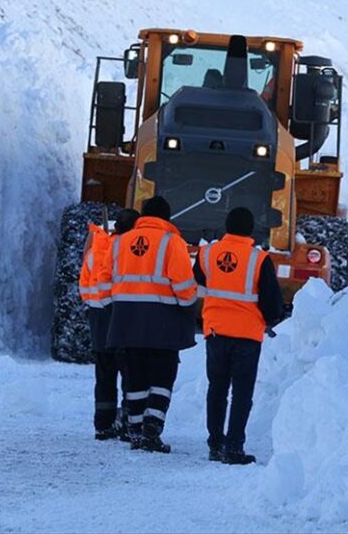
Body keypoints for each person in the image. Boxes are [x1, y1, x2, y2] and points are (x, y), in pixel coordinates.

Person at [103, 196, 197, 453]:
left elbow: (104, 279)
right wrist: (189, 303)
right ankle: (151, 430)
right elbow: (184, 286)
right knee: (162, 378)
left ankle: (134, 430)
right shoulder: (171, 242)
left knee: (135, 378)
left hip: (125, 320)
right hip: (162, 322)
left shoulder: (119, 242)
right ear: (166, 218)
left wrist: (110, 305)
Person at [194, 207, 283, 464]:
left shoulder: (208, 253)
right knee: (242, 393)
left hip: (215, 331)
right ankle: (234, 447)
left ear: (227, 226)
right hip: (247, 336)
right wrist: (270, 320)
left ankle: (215, 444)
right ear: (251, 229)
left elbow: (197, 278)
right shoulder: (259, 259)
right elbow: (272, 302)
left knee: (217, 389)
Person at [79, 209, 140, 441]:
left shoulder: (96, 250)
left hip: (97, 319)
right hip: (120, 318)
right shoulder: (127, 252)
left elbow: (84, 285)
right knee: (129, 374)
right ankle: (127, 423)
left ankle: (103, 424)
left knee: (104, 376)